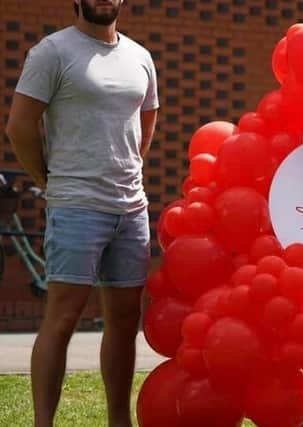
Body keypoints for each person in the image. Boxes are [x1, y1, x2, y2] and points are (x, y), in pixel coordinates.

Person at [5, 1, 158, 426]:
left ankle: (117, 420)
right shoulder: (52, 52)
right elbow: (19, 126)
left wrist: (129, 169)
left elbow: (147, 119)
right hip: (76, 207)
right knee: (62, 318)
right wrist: (50, 181)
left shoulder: (140, 57)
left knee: (125, 321)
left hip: (131, 209)